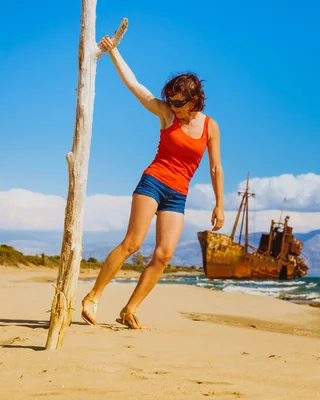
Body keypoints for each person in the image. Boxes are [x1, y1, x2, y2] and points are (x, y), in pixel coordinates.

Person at [81, 36, 225, 329]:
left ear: (195, 99)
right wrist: (114, 52)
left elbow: (215, 168)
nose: (173, 106)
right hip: (154, 182)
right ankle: (93, 296)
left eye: (179, 102)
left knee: (164, 254)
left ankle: (129, 309)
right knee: (132, 243)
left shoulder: (211, 126)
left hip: (178, 194)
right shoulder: (166, 114)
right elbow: (135, 85)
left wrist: (220, 204)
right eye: (170, 101)